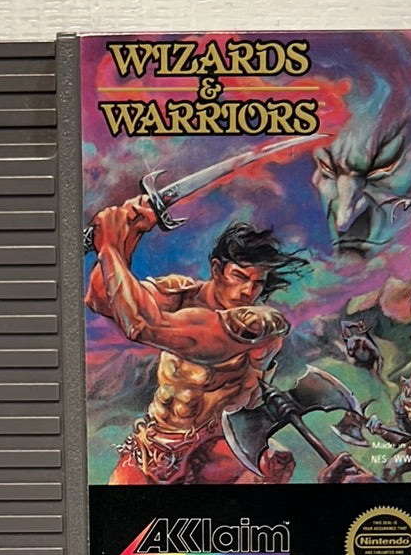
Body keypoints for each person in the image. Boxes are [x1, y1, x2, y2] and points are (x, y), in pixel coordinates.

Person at [85, 195, 308, 485]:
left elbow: (141, 324)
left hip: (220, 455)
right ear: (217, 269)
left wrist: (110, 245)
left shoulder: (259, 325)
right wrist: (130, 233)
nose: (248, 291)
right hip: (156, 447)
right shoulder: (181, 294)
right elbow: (102, 299)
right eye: (240, 277)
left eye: (257, 283)